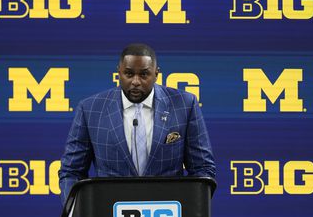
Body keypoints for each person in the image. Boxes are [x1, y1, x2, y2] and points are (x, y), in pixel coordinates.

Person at [58, 43, 215, 205]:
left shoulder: (184, 104)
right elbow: (71, 171)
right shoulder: (90, 109)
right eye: (128, 73)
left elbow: (203, 169)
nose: (135, 81)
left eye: (144, 74)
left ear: (156, 74)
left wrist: (191, 214)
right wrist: (74, 214)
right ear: (119, 73)